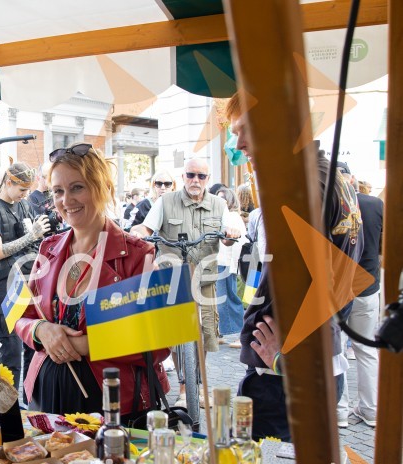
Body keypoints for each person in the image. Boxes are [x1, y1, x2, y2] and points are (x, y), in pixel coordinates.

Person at [225, 91, 363, 440]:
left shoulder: (300, 188)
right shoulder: (328, 174)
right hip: (309, 366)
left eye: (246, 128)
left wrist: (283, 359)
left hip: (288, 376)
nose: (238, 143)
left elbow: (319, 281)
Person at [15, 143, 170, 416]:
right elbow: (19, 314)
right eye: (58, 191)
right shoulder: (47, 248)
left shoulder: (137, 254)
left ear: (102, 188)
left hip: (111, 402)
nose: (66, 200)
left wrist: (85, 344)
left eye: (77, 187)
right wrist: (41, 330)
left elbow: (159, 341)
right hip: (47, 395)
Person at [131, 159, 242, 407]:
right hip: (173, 282)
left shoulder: (219, 204)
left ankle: (198, 386)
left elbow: (226, 237)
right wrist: (136, 233)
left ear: (207, 179)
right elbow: (146, 228)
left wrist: (231, 235)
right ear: (183, 177)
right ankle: (184, 388)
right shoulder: (165, 201)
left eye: (201, 177)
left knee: (204, 335)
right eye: (191, 175)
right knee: (176, 335)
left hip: (204, 282)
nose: (196, 181)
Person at [0, 161, 48, 387]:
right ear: (8, 183)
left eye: (27, 191)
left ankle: (29, 401)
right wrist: (32, 236)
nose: (24, 195)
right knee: (11, 353)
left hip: (28, 282)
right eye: (21, 190)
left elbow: (33, 238)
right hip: (6, 286)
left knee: (32, 348)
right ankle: (7, 411)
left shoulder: (24, 205)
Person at [342, 179, 383, 426]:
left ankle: (339, 410)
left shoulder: (329, 204)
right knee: (366, 350)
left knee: (336, 349)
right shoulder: (375, 203)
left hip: (340, 288)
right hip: (368, 286)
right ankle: (370, 409)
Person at [215, 187, 248, 346]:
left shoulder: (232, 217)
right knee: (218, 299)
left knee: (228, 299)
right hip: (220, 262)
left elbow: (238, 243)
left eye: (223, 198)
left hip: (226, 263)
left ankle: (242, 334)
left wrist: (232, 266)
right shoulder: (225, 215)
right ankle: (220, 332)